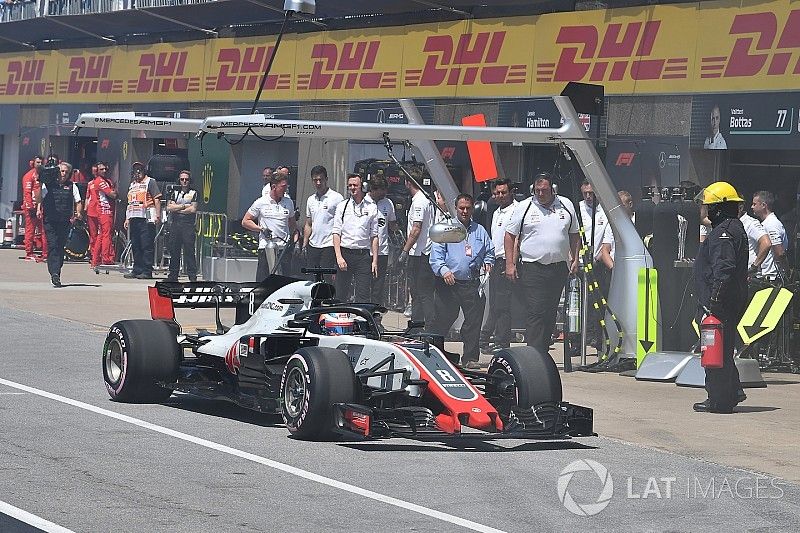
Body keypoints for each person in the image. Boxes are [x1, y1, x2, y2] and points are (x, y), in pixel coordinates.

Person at [504, 172, 580, 356]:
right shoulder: (524, 207)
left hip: (558, 267)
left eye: (544, 190)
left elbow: (574, 233)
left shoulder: (566, 205)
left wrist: (575, 258)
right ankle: (535, 353)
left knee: (550, 311)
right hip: (533, 267)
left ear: (552, 189)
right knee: (536, 310)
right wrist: (510, 264)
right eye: (537, 190)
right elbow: (509, 235)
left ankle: (543, 351)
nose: (540, 193)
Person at [693, 182, 748, 413]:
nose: (704, 210)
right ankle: (732, 391)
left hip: (719, 303)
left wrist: (714, 301)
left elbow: (723, 269)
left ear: (718, 208)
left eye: (708, 206)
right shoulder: (733, 227)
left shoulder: (723, 232)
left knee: (715, 349)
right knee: (723, 349)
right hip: (727, 300)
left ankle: (719, 400)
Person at [430, 194, 494, 369]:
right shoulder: (446, 229)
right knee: (443, 319)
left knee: (473, 321)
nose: (465, 211)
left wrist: (488, 262)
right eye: (461, 208)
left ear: (472, 208)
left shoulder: (479, 230)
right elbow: (436, 256)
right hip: (449, 283)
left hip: (472, 283)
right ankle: (435, 353)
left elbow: (489, 251)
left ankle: (470, 358)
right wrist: (444, 271)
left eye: (468, 208)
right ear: (456, 208)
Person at [479, 179, 516, 352]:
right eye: (497, 193)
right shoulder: (495, 213)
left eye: (503, 192)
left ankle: (502, 342)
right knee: (494, 303)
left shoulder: (517, 210)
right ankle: (485, 338)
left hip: (508, 262)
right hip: (495, 262)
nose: (499, 196)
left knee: (503, 305)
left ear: (511, 192)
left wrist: (511, 263)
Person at [578, 180, 614, 350]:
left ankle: (598, 337)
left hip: (597, 263)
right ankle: (578, 339)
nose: (588, 196)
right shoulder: (578, 209)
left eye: (591, 193)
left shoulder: (604, 211)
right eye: (585, 193)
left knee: (598, 302)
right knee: (578, 304)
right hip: (579, 263)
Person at [35, 159, 83, 287]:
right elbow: (38, 198)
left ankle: (57, 270)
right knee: (53, 244)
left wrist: (78, 214)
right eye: (62, 171)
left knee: (60, 246)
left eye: (66, 172)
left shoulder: (72, 186)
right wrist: (39, 185)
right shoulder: (48, 185)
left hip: (64, 221)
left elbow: (78, 201)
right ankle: (54, 273)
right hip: (50, 220)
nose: (64, 174)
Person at [332, 173, 378, 302]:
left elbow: (374, 236)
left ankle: (361, 320)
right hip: (345, 253)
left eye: (355, 185)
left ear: (361, 186)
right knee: (341, 293)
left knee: (363, 294)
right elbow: (336, 233)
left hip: (363, 256)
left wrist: (374, 260)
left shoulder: (372, 207)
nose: (353, 188)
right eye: (350, 185)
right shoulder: (342, 206)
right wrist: (339, 257)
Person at [242, 171, 297, 280]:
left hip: (283, 249)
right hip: (266, 248)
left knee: (284, 281)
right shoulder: (261, 202)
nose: (285, 189)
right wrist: (261, 229)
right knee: (263, 281)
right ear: (274, 187)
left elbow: (293, 225)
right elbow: (245, 221)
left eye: (286, 186)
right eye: (283, 187)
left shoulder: (288, 202)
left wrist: (293, 242)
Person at [398, 173, 436, 327]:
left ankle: (430, 326)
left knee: (423, 293)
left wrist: (404, 251)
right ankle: (417, 325)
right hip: (421, 253)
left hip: (420, 254)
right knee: (417, 293)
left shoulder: (420, 201)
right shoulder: (425, 199)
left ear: (408, 182)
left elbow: (416, 229)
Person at [302, 165, 344, 273]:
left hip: (329, 245)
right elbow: (308, 224)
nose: (318, 183)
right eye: (315, 180)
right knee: (312, 279)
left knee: (326, 278)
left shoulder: (337, 198)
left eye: (321, 179)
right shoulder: (311, 200)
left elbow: (342, 223)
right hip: (313, 245)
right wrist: (304, 244)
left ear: (326, 179)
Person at [123, 161, 162, 279]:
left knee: (146, 244)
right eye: (135, 170)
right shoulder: (132, 184)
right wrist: (127, 219)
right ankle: (137, 269)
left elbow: (157, 199)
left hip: (147, 217)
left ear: (144, 170)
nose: (137, 172)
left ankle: (147, 270)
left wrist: (158, 215)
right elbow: (130, 202)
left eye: (140, 169)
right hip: (134, 217)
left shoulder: (150, 181)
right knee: (136, 244)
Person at [365, 174, 397, 306]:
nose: (385, 192)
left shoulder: (388, 203)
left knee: (378, 287)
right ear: (373, 189)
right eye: (381, 190)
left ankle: (376, 317)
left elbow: (392, 224)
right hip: (366, 251)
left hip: (382, 251)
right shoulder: (363, 202)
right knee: (365, 286)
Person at [166, 170, 198, 282]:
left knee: (189, 250)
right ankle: (173, 275)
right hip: (175, 223)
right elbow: (169, 207)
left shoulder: (194, 192)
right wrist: (184, 206)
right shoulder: (174, 192)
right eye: (182, 179)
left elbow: (193, 209)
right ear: (179, 180)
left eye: (186, 179)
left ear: (190, 180)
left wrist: (177, 207)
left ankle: (192, 277)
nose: (184, 181)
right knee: (174, 250)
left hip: (188, 224)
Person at [86, 161, 118, 269]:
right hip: (104, 210)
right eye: (101, 169)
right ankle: (106, 259)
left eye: (105, 169)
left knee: (101, 235)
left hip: (104, 210)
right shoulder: (100, 181)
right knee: (105, 235)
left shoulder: (105, 181)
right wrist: (115, 192)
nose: (104, 171)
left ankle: (95, 260)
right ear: (96, 171)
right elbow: (112, 194)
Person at [751, 190, 788, 279]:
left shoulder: (771, 224)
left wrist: (787, 272)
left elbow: (780, 253)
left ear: (763, 205)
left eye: (754, 204)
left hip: (771, 278)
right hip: (765, 276)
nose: (752, 207)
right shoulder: (766, 223)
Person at [737, 202, 772, 276]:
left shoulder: (750, 223)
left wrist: (754, 266)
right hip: (737, 275)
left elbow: (766, 243)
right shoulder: (730, 223)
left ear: (740, 208)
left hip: (750, 277)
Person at [21, 155, 44, 260]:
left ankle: (45, 252)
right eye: (38, 162)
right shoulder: (29, 176)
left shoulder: (43, 174)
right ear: (33, 163)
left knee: (44, 230)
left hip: (41, 206)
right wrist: (30, 206)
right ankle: (29, 252)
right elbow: (27, 193)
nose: (40, 164)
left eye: (41, 162)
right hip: (31, 207)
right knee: (30, 230)